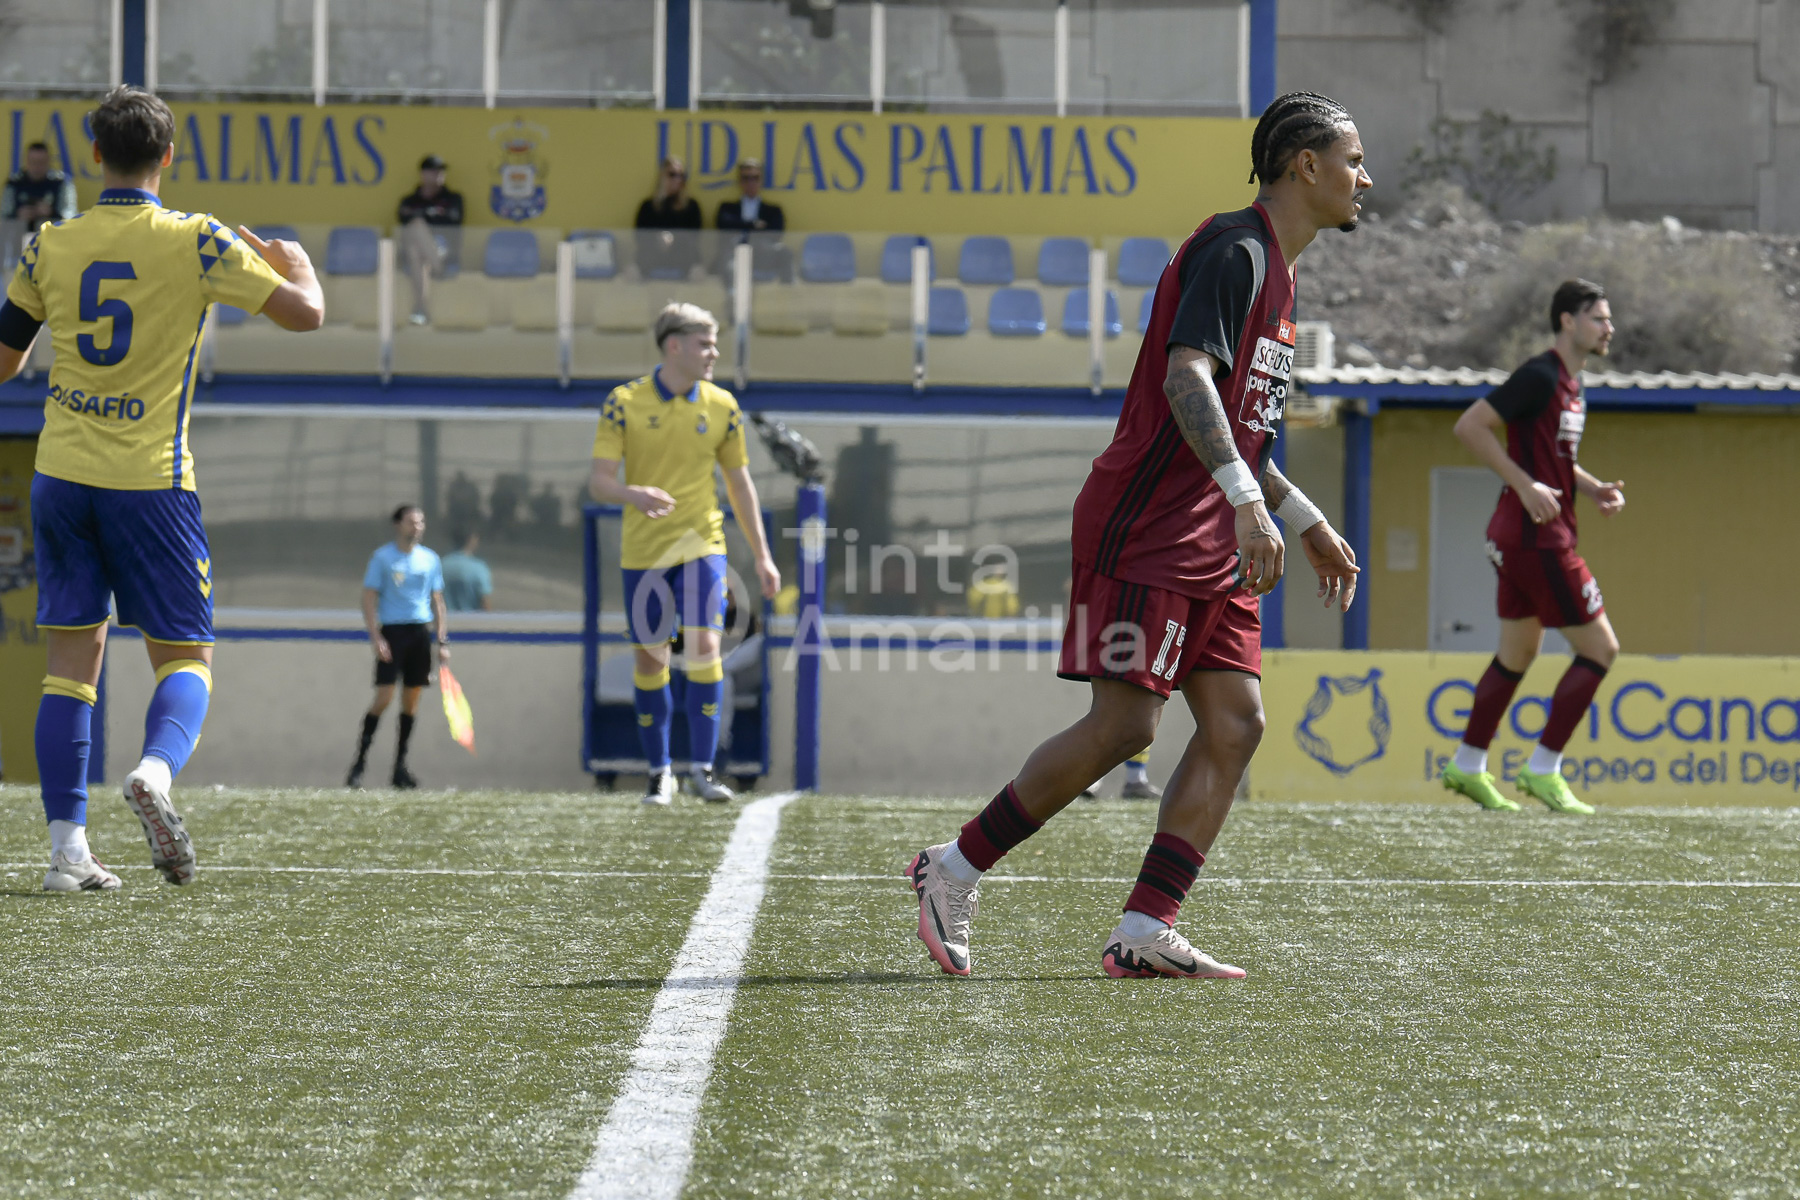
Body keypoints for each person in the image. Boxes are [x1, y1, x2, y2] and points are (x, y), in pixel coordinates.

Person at [905, 92, 1368, 980]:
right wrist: (1248, 502)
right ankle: (952, 867)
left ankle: (1146, 927)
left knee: (1235, 722)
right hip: (1151, 523)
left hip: (1216, 530)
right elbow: (1186, 376)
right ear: (1306, 165)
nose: (1364, 177)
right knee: (1124, 724)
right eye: (1353, 159)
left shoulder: (1281, 273)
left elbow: (1244, 430)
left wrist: (1300, 517)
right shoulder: (1236, 250)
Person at [0, 86, 323, 892]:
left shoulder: (50, 243)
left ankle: (67, 854)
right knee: (186, 655)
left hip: (61, 475)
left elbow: (2, 362)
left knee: (70, 664)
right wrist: (298, 265)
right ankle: (153, 772)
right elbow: (305, 316)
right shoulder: (197, 239)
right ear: (169, 157)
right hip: (152, 482)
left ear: (95, 155)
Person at [587, 302, 781, 806]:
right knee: (650, 659)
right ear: (673, 346)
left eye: (715, 343)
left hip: (703, 546)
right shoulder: (623, 403)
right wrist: (633, 494)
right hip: (644, 553)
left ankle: (703, 769)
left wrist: (763, 556)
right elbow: (599, 482)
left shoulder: (723, 406)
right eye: (704, 343)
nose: (714, 352)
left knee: (704, 648)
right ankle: (659, 772)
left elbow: (740, 485)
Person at [1441, 280, 1623, 815]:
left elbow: (1553, 458)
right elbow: (1470, 426)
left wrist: (1592, 488)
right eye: (1598, 318)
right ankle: (1544, 769)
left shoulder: (1572, 384)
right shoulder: (1541, 375)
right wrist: (1523, 486)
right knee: (1601, 649)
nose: (1608, 328)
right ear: (1567, 320)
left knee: (1518, 653)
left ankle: (1467, 765)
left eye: (1608, 319)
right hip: (1536, 538)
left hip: (1519, 537)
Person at [348, 505, 449, 790]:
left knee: (411, 701)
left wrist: (442, 641)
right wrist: (376, 637)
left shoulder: (430, 559)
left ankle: (399, 768)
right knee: (384, 697)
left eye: (421, 522)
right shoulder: (382, 558)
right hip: (393, 633)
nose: (417, 527)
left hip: (420, 633)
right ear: (398, 525)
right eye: (411, 522)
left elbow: (437, 601)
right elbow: (369, 598)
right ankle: (359, 764)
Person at [396, 153, 464, 325]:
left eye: (441, 171)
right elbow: (403, 218)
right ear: (423, 174)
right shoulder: (410, 200)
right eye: (433, 171)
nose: (438, 174)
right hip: (421, 255)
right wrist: (433, 213)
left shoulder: (453, 198)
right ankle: (436, 271)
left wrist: (423, 214)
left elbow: (454, 218)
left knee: (416, 242)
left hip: (443, 251)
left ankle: (420, 308)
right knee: (416, 240)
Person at [715, 158, 792, 282]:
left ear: (761, 181)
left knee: (784, 252)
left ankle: (787, 291)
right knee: (731, 268)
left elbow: (776, 233)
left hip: (763, 256)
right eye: (746, 178)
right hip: (734, 253)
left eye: (755, 178)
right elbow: (724, 225)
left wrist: (742, 226)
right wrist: (754, 224)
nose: (751, 182)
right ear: (740, 181)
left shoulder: (773, 211)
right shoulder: (727, 208)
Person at [634, 157, 703, 280]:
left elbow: (694, 237)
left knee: (697, 272)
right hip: (653, 258)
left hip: (682, 259)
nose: (678, 179)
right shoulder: (648, 207)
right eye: (672, 175)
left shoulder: (691, 207)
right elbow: (640, 237)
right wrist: (659, 239)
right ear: (662, 176)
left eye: (681, 176)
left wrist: (673, 239)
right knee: (632, 272)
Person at [3, 142, 78, 234]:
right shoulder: (14, 184)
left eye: (41, 162)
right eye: (33, 162)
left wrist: (51, 213)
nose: (37, 167)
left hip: (52, 236)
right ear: (26, 161)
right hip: (19, 236)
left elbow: (71, 216)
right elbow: (3, 217)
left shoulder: (61, 183)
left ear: (49, 161)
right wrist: (17, 216)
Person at [442, 527, 493, 612]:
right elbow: (484, 601)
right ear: (471, 540)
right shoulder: (478, 567)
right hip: (470, 619)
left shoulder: (441, 565)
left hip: (444, 617)